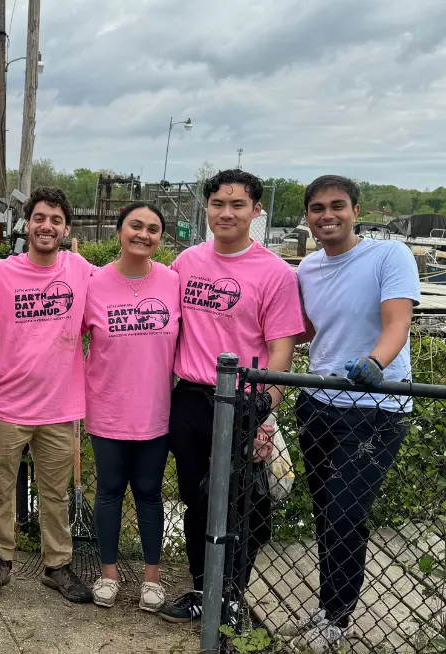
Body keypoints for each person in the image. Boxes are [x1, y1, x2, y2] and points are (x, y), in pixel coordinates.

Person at [280, 176, 420, 652]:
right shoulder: (308, 270)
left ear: (356, 211)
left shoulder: (389, 255)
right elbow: (300, 331)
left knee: (345, 512)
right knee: (325, 514)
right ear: (308, 216)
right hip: (318, 403)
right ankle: (328, 607)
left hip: (376, 408)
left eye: (337, 206)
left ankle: (339, 620)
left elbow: (397, 320)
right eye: (317, 208)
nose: (327, 216)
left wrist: (376, 363)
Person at [159, 169, 304, 624]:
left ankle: (233, 594)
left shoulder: (275, 273)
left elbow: (283, 348)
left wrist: (267, 409)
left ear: (256, 211)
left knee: (246, 505)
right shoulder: (186, 263)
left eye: (238, 205)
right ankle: (205, 591)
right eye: (219, 204)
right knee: (196, 500)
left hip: (246, 402)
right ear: (208, 209)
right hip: (191, 400)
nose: (227, 212)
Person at [0, 187, 94, 603]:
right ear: (28, 223)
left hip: (60, 407)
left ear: (66, 228)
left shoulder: (81, 271)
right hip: (6, 404)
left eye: (56, 220)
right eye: (40, 218)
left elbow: (116, 300)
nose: (47, 226)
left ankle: (57, 565)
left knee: (55, 492)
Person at [82, 202, 180, 612]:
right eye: (135, 226)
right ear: (119, 231)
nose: (144, 234)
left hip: (156, 410)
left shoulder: (174, 282)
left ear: (161, 237)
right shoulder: (94, 282)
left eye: (153, 229)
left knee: (149, 493)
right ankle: (108, 573)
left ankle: (151, 578)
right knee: (108, 492)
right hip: (107, 408)